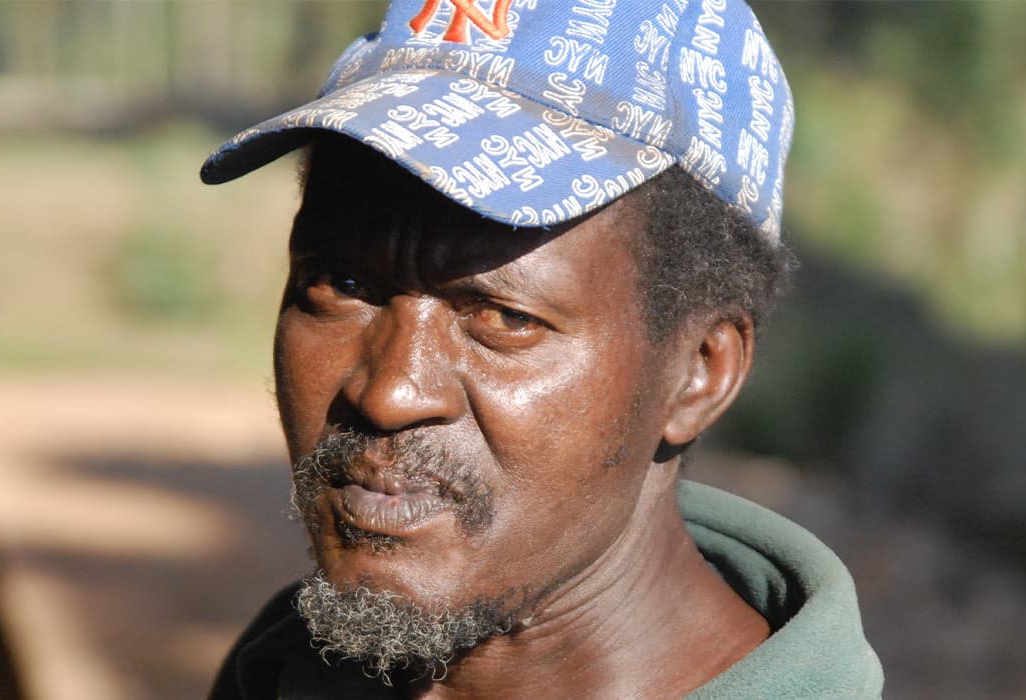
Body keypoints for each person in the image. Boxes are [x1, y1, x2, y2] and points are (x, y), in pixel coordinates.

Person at [200, 1, 883, 697]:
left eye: (503, 318)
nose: (387, 393)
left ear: (698, 373)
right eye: (340, 284)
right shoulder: (285, 671)